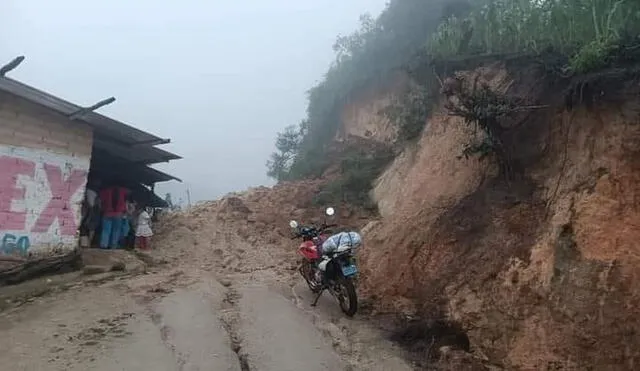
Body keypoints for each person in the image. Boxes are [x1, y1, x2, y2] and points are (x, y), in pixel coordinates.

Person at [99, 182, 130, 249]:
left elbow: (101, 201)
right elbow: (129, 195)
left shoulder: (106, 191)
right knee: (116, 230)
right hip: (118, 214)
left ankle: (104, 245)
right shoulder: (124, 190)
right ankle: (113, 245)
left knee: (106, 230)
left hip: (107, 213)